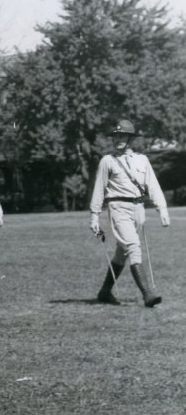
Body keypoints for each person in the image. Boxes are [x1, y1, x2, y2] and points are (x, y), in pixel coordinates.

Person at [90, 119, 170, 307]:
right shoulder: (107, 161)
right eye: (116, 135)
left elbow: (153, 185)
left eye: (122, 135)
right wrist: (94, 216)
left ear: (130, 139)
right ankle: (148, 294)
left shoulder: (142, 160)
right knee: (133, 246)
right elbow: (99, 190)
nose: (118, 139)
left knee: (122, 253)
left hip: (138, 210)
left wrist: (162, 208)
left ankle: (104, 292)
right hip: (118, 208)